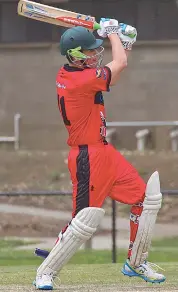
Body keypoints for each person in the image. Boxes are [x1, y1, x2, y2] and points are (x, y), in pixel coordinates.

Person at [34, 19, 166, 290]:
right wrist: (115, 34)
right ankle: (46, 272)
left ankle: (135, 262)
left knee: (146, 199)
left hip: (104, 151)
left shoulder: (81, 74)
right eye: (91, 50)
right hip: (87, 157)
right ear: (77, 55)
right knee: (84, 221)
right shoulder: (77, 80)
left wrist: (124, 43)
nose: (96, 53)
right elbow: (119, 66)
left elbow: (114, 73)